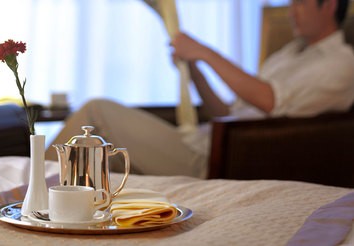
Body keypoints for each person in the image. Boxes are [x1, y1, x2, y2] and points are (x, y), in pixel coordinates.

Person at [46, 0, 354, 179]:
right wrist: (195, 69)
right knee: (97, 158)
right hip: (202, 143)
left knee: (96, 111)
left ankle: (34, 187)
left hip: (223, 161)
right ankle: (54, 208)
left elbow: (271, 101)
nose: (290, 11)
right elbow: (226, 113)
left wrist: (206, 52)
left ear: (327, 5)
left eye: (299, 2)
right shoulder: (287, 55)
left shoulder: (342, 62)